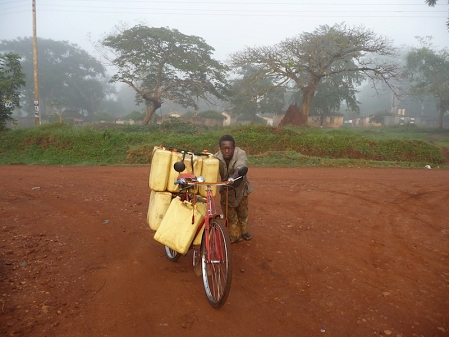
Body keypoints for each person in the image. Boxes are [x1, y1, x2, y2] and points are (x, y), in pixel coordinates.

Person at [215, 135, 253, 243]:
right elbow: (209, 168)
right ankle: (235, 235)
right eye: (224, 148)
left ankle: (245, 231)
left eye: (229, 148)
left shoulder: (240, 153)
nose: (226, 151)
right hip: (226, 189)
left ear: (234, 147)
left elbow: (240, 168)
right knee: (230, 215)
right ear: (220, 148)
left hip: (240, 187)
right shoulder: (216, 157)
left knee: (243, 212)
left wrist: (233, 178)